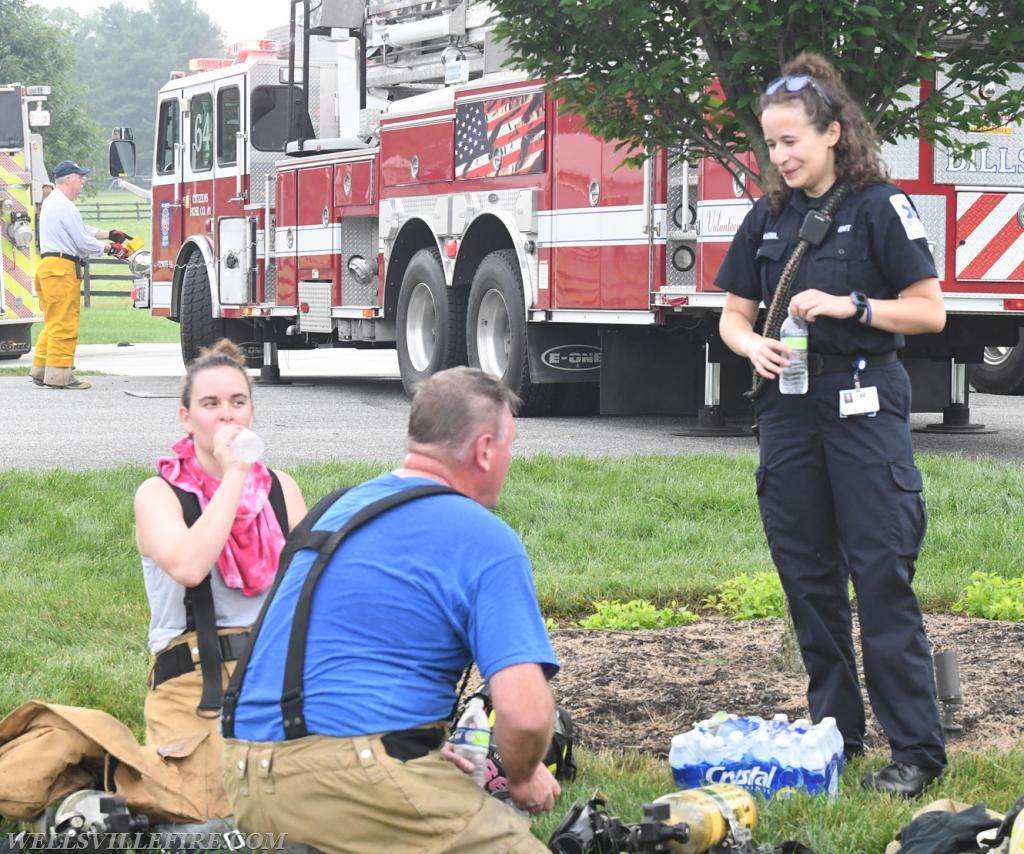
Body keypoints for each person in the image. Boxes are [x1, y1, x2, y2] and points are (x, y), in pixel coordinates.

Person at [716, 52, 948, 798]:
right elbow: (732, 313)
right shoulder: (768, 215)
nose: (780, 156)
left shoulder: (881, 206)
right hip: (788, 416)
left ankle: (915, 752)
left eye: (792, 141)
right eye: (771, 142)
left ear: (835, 134)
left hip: (863, 409)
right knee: (809, 582)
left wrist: (855, 308)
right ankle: (834, 738)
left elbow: (931, 309)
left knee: (881, 579)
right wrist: (752, 344)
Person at [221, 366, 561, 852]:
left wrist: (411, 744)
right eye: (509, 445)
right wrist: (525, 777)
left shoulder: (337, 509)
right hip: (347, 780)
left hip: (246, 776)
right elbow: (525, 715)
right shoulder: (484, 538)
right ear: (485, 450)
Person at [134, 339, 307, 821]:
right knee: (212, 820)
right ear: (186, 418)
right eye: (211, 404)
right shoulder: (159, 494)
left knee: (322, 805)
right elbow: (190, 566)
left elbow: (311, 586)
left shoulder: (280, 488)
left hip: (274, 672)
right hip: (196, 683)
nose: (227, 416)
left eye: (238, 402)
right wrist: (234, 476)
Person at [29, 159, 130, 390]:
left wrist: (109, 234)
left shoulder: (55, 202)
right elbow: (82, 241)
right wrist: (110, 249)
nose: (83, 182)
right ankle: (60, 376)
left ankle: (41, 370)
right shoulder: (64, 205)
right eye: (80, 177)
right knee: (65, 323)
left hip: (49, 267)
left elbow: (81, 229)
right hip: (61, 269)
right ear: (68, 180)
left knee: (53, 322)